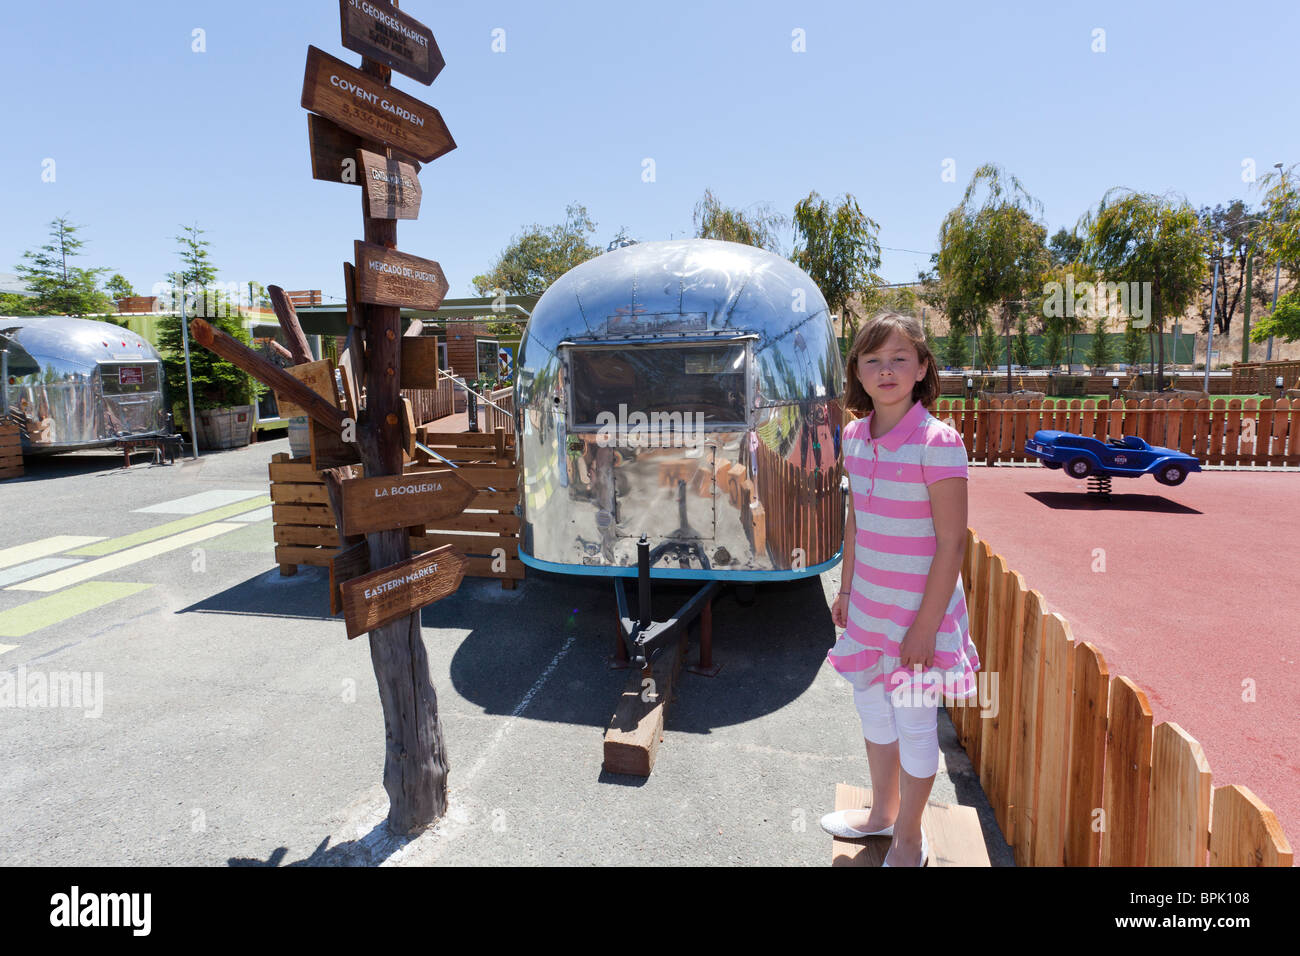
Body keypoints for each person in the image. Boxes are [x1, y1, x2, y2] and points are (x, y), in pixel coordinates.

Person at [819, 312, 980, 867]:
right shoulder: (853, 436)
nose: (885, 371)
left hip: (918, 621)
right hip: (867, 613)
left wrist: (925, 628)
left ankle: (910, 835)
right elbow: (857, 522)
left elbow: (951, 544)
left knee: (914, 728)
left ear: (922, 368)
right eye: (872, 360)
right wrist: (844, 591)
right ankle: (880, 814)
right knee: (874, 716)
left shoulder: (939, 442)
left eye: (899, 359)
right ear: (857, 373)